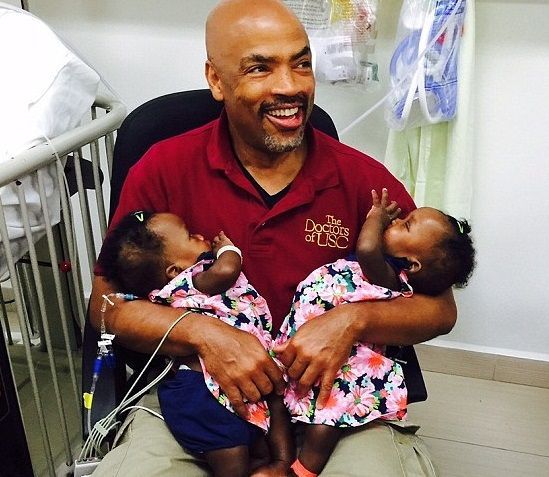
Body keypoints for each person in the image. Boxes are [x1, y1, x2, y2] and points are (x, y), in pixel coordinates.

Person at [90, 1, 457, 475]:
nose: (290, 86)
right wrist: (205, 335)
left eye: (301, 64)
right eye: (260, 68)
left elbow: (439, 310)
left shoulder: (364, 183)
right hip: (200, 392)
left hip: (335, 397)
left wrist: (352, 321)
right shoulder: (162, 169)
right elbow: (106, 305)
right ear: (217, 79)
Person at [278, 189, 475, 476]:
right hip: (308, 343)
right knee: (307, 407)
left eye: (406, 225)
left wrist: (376, 217)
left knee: (328, 417)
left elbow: (367, 248)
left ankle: (305, 468)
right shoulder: (390, 268)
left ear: (412, 264)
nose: (396, 221)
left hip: (344, 362)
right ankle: (282, 459)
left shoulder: (390, 274)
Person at [97, 211, 293, 476]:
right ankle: (277, 461)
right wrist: (227, 249)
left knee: (260, 429)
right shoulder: (189, 281)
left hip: (238, 379)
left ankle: (275, 464)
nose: (200, 235)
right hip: (203, 388)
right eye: (190, 236)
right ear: (174, 270)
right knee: (231, 448)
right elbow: (227, 270)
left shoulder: (176, 286)